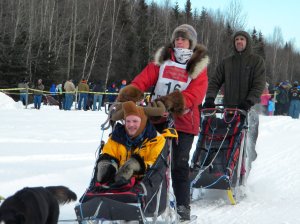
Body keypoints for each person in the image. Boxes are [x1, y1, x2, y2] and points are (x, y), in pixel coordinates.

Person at [117, 24, 209, 221]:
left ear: (191, 42)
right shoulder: (163, 61)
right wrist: (129, 95)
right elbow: (144, 79)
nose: (179, 41)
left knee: (179, 166)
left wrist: (171, 102)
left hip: (184, 123)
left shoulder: (197, 66)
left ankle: (183, 208)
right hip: (156, 117)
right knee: (145, 157)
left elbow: (195, 94)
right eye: (177, 38)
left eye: (183, 38)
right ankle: (139, 198)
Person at [203, 30, 266, 175]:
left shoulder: (256, 61)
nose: (239, 41)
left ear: (247, 42)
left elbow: (259, 84)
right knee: (226, 143)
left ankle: (244, 176)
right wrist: (210, 98)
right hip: (230, 111)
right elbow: (215, 81)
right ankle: (223, 172)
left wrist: (249, 101)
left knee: (247, 146)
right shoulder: (227, 62)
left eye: (242, 39)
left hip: (250, 110)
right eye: (237, 39)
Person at [96, 101, 166, 190]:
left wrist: (136, 166)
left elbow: (155, 165)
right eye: (128, 121)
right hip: (115, 184)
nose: (131, 125)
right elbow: (109, 153)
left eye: (135, 121)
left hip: (143, 186)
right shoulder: (116, 137)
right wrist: (107, 165)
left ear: (143, 122)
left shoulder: (157, 140)